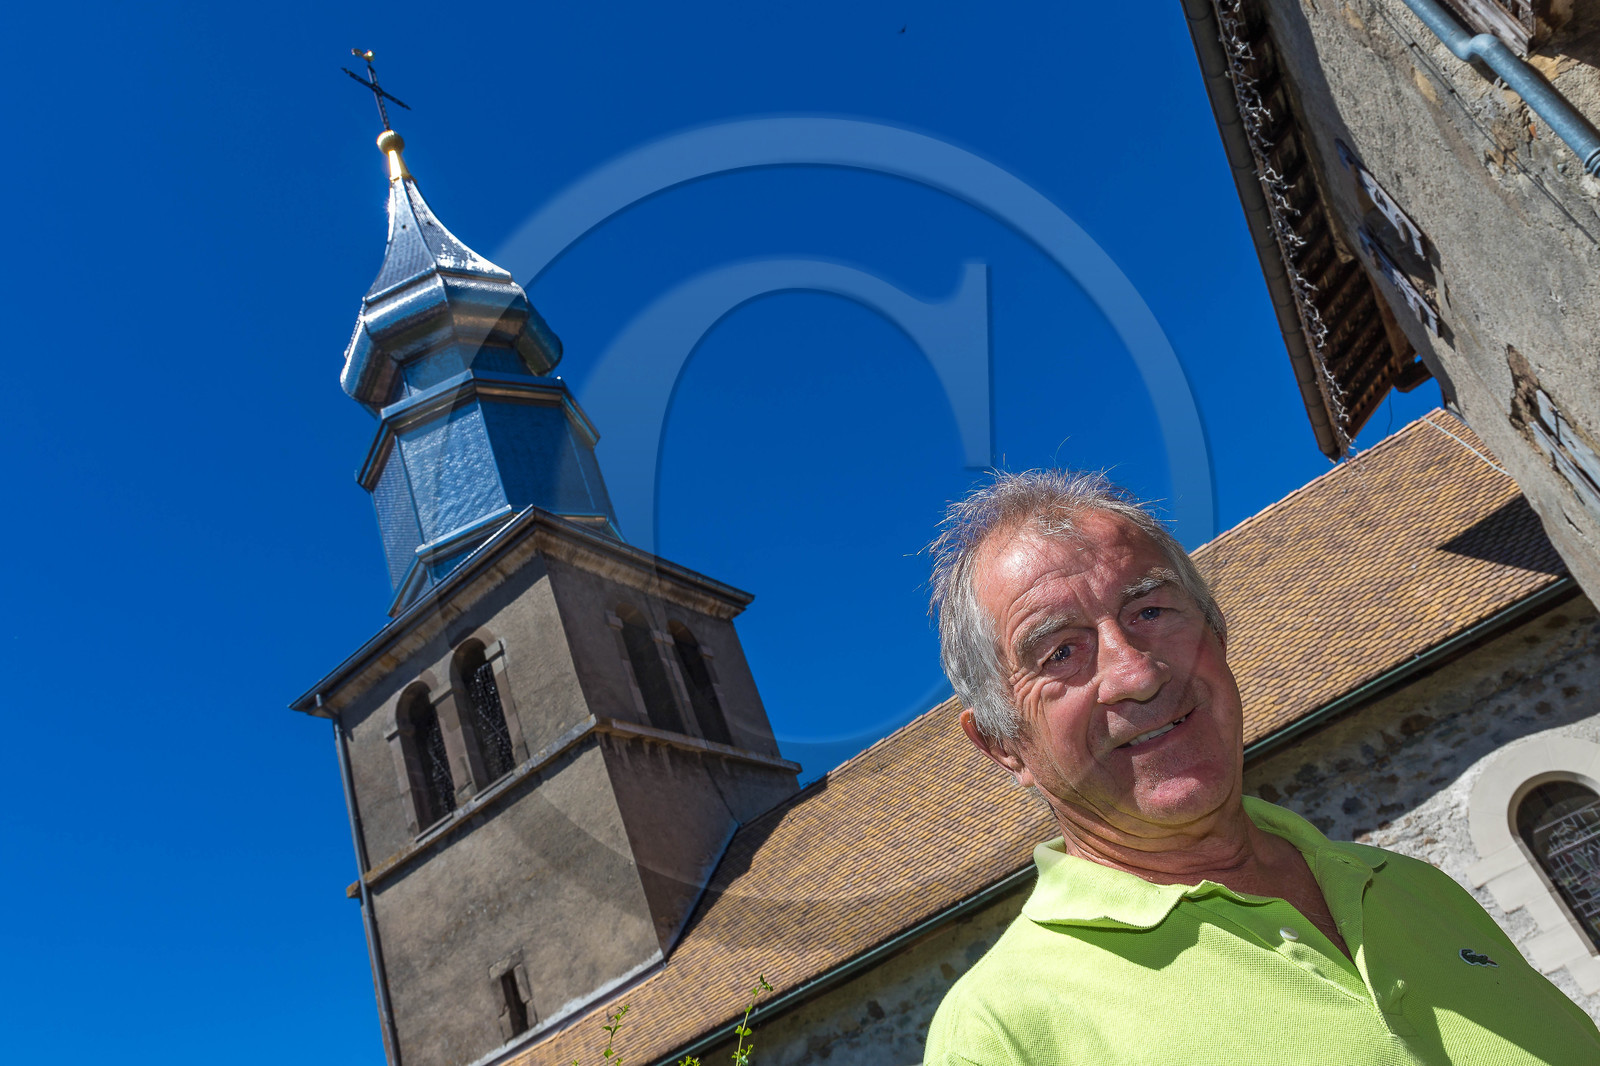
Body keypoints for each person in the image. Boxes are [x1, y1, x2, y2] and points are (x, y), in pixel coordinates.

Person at [922, 470, 1600, 1066]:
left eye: (1151, 610)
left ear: (1216, 635)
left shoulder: (1415, 888)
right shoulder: (998, 1038)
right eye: (1060, 654)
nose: (1136, 673)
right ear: (1003, 744)